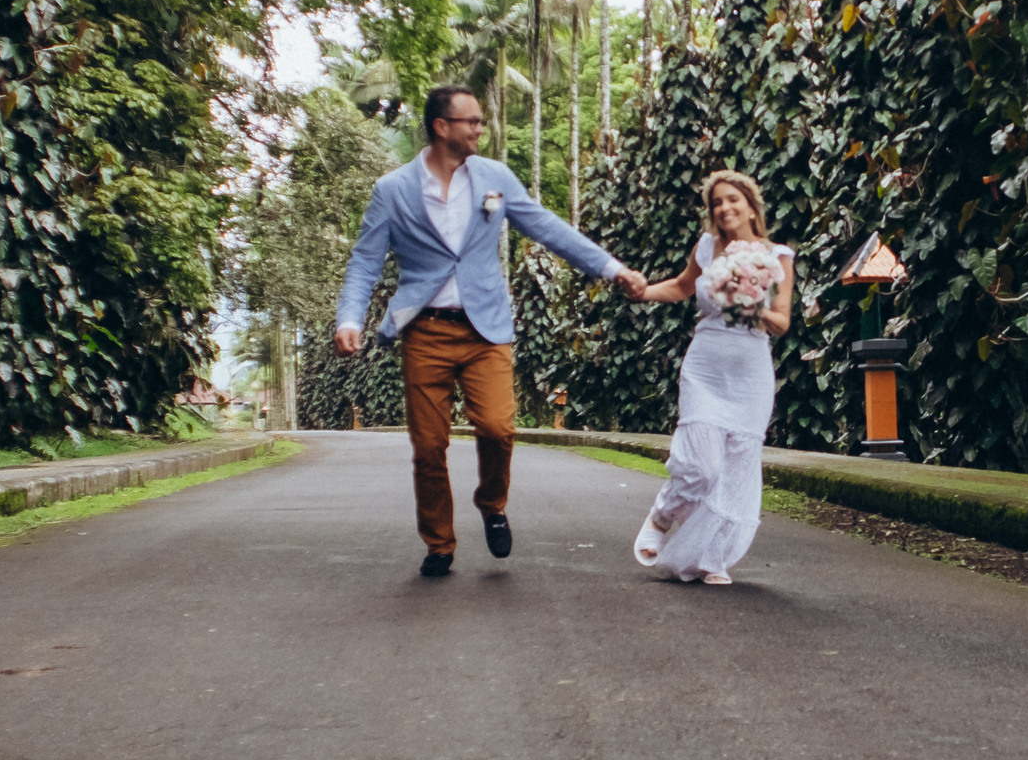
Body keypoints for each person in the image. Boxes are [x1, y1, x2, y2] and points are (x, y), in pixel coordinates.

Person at [335, 86, 646, 577]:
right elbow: (365, 261)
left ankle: (492, 503)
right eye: (472, 121)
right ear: (442, 127)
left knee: (499, 429)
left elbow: (547, 228)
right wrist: (349, 319)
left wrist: (613, 269)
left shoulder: (494, 177)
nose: (481, 128)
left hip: (486, 330)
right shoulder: (392, 189)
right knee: (429, 446)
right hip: (425, 331)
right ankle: (439, 544)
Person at [630, 171, 794, 586]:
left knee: (736, 470)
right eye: (717, 202)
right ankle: (663, 513)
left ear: (751, 206)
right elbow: (681, 287)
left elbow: (781, 323)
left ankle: (713, 557)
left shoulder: (778, 257)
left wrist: (748, 304)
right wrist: (642, 291)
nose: (724, 208)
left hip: (750, 373)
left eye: (732, 199)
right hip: (705, 366)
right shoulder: (706, 247)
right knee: (701, 466)